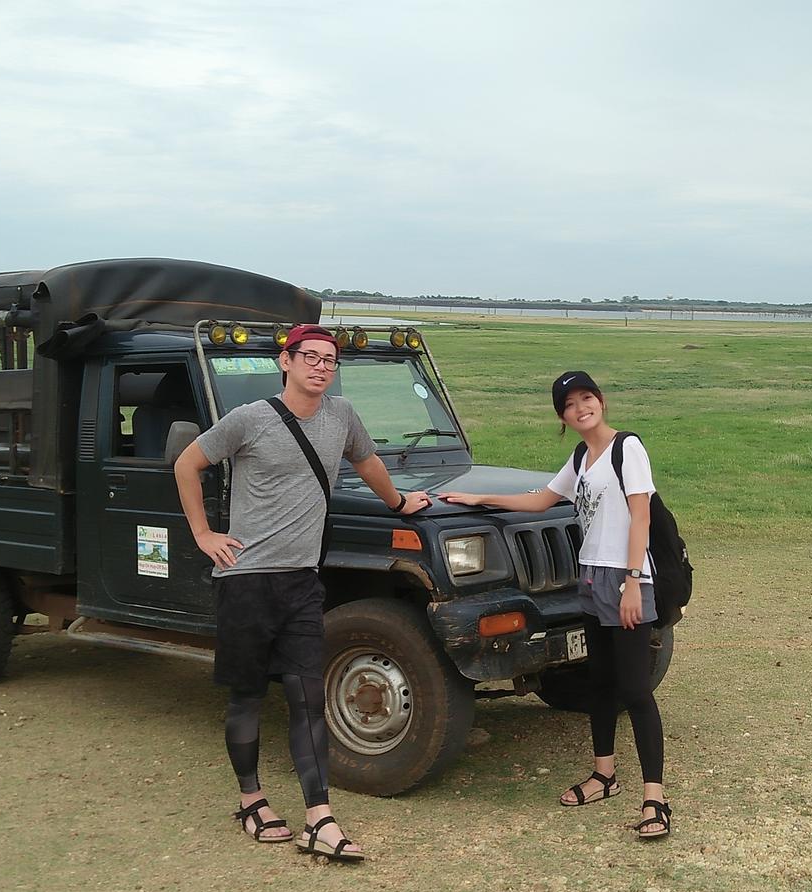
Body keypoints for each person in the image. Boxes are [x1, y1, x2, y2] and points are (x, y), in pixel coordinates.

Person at [174, 324, 430, 861]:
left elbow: (367, 461)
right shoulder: (250, 419)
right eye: (309, 357)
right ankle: (252, 802)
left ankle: (320, 818)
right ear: (285, 362)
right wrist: (204, 534)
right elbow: (188, 463)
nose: (320, 367)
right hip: (245, 580)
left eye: (329, 361)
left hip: (301, 581)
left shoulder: (342, 417)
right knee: (246, 696)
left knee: (307, 698)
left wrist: (399, 503)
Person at [439, 371, 671, 839]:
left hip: (625, 577)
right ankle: (604, 774)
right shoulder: (582, 456)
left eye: (587, 397)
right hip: (590, 576)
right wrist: (478, 497)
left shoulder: (628, 448)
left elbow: (640, 514)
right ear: (562, 417)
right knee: (600, 684)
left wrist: (631, 581)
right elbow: (542, 499)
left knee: (635, 689)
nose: (581, 407)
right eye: (570, 404)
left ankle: (655, 798)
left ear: (601, 401)